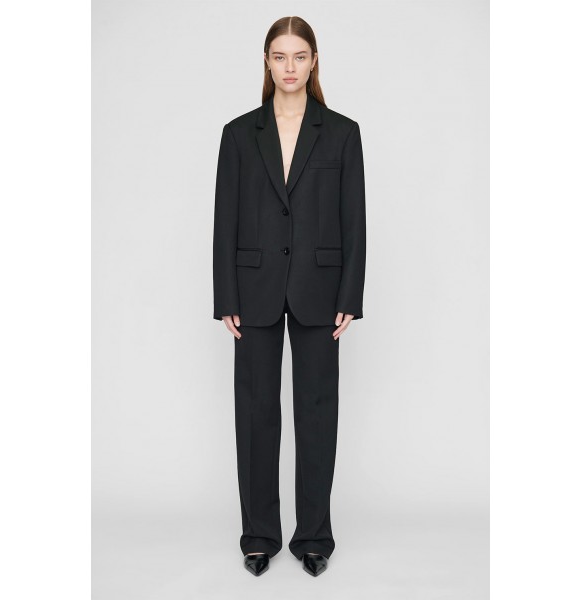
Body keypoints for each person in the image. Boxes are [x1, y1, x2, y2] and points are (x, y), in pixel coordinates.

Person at [212, 16, 366, 578]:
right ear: (267, 62)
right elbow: (225, 218)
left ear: (314, 61)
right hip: (252, 287)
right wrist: (225, 294)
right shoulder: (238, 133)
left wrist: (350, 292)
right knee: (256, 412)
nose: (290, 67)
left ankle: (314, 536)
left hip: (320, 289)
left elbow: (354, 219)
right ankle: (259, 535)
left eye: (300, 56)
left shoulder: (342, 132)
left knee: (317, 412)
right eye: (280, 56)